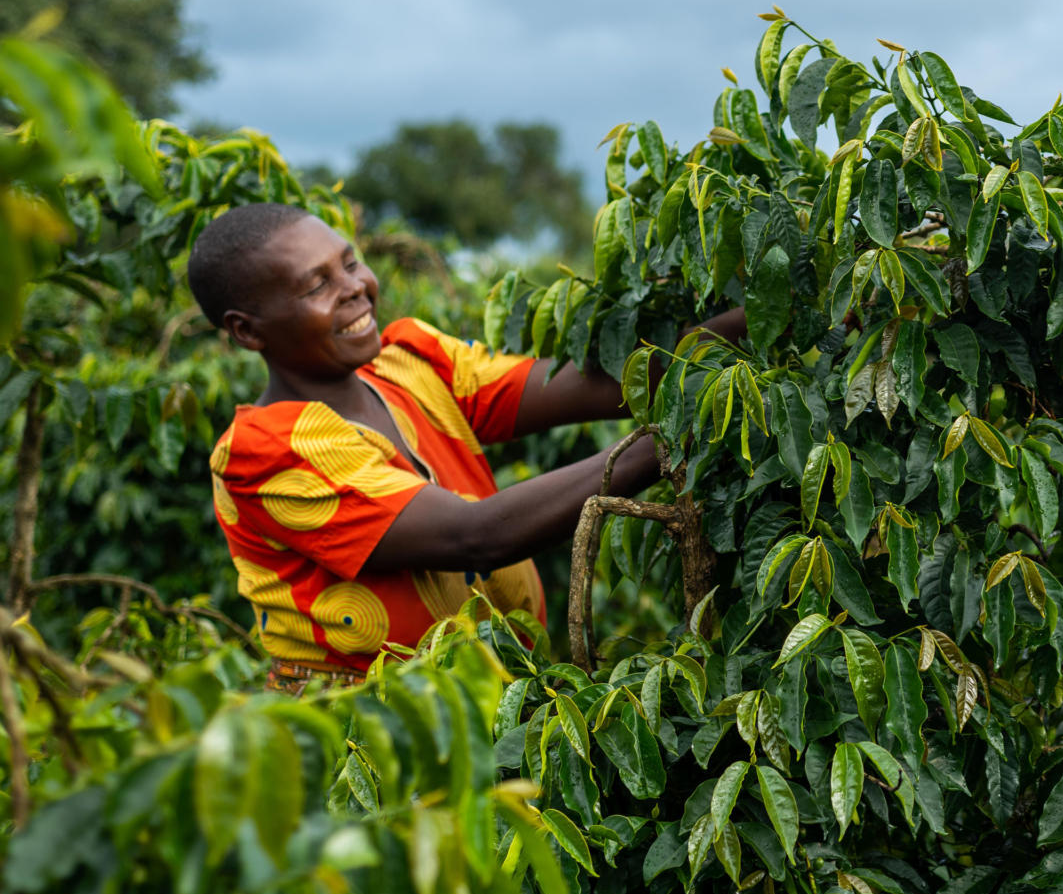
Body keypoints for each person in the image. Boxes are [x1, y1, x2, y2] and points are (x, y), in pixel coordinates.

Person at [187, 202, 744, 693]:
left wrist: (763, 322)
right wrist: (679, 429)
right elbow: (476, 535)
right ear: (247, 331)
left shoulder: (411, 363)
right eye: (315, 287)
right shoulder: (265, 450)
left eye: (350, 263)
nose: (354, 288)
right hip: (370, 737)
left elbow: (605, 382)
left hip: (495, 707)